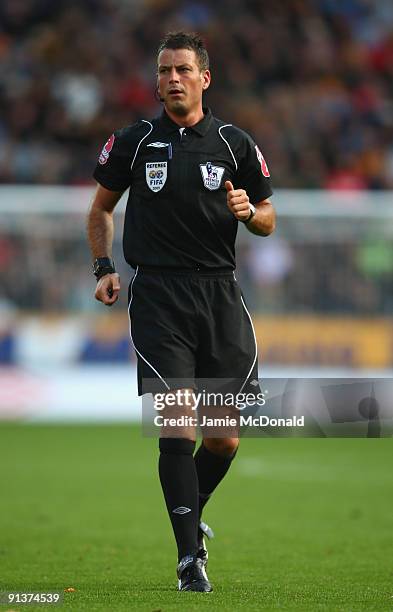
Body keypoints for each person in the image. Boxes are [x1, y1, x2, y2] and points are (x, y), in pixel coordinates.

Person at [87, 31, 275, 593]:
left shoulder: (235, 143)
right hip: (160, 297)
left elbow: (268, 214)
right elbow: (101, 208)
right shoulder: (133, 140)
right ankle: (189, 557)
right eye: (164, 70)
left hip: (220, 294)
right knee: (176, 423)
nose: (171, 78)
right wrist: (103, 268)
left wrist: (249, 212)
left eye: (182, 70)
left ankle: (190, 511)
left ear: (204, 78)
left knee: (223, 439)